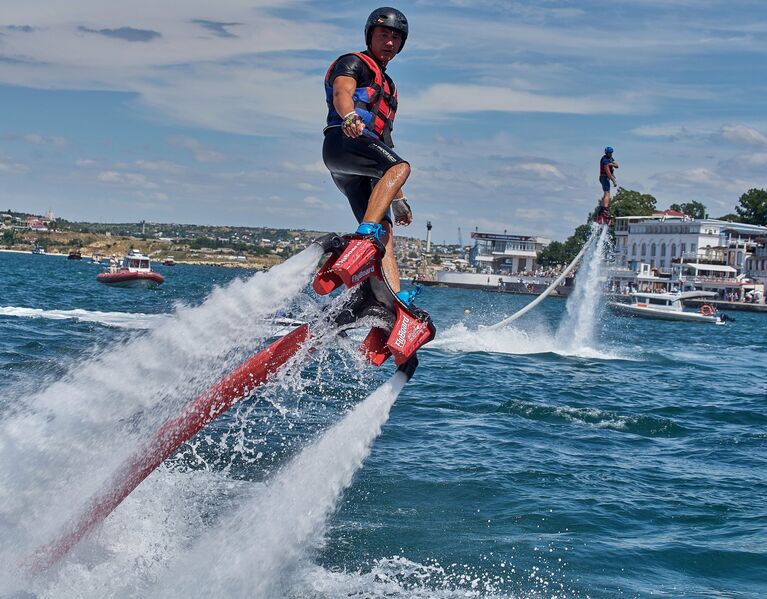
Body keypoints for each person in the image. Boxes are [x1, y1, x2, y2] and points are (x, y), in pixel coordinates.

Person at [322, 7, 415, 305]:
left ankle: (389, 298)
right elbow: (341, 93)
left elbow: (386, 155)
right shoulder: (354, 63)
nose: (390, 42)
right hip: (343, 143)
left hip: (363, 162)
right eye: (384, 35)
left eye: (396, 38)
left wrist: (397, 200)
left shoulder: (389, 87)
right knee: (403, 167)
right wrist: (349, 117)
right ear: (370, 35)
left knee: (385, 230)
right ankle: (363, 239)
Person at [597, 146, 619, 224]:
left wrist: (611, 164)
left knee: (605, 194)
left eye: (611, 153)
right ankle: (605, 211)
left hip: (605, 178)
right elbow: (608, 173)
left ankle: (602, 210)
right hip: (604, 177)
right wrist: (613, 181)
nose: (611, 154)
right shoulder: (605, 160)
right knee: (607, 194)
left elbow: (617, 165)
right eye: (610, 153)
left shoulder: (610, 159)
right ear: (607, 153)